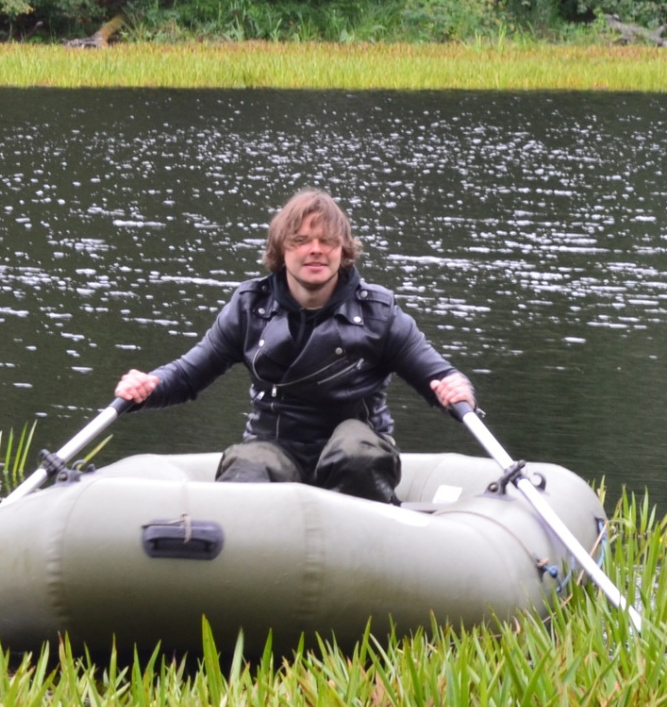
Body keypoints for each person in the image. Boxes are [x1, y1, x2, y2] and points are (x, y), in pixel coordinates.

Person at [112, 188, 474, 504]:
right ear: (280, 250)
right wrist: (149, 386)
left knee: (354, 453)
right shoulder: (249, 306)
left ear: (342, 250)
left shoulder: (378, 312)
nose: (315, 250)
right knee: (248, 464)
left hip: (358, 449)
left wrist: (459, 388)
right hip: (274, 446)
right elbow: (190, 374)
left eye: (327, 241)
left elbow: (437, 375)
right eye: (300, 241)